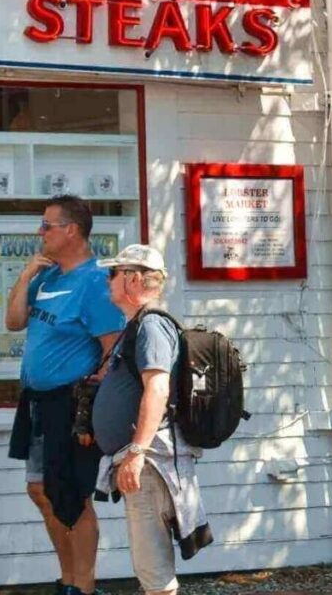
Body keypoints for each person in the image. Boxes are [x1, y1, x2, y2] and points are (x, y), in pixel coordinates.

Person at [4, 195, 125, 595]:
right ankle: (68, 578)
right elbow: (13, 322)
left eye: (47, 225)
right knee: (40, 490)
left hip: (70, 403)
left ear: (71, 230)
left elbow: (113, 350)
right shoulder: (47, 277)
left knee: (72, 494)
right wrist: (26, 275)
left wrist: (92, 410)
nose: (40, 232)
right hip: (36, 401)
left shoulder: (95, 282)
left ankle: (83, 585)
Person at [92, 245, 211, 595]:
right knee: (149, 562)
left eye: (113, 274)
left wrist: (137, 452)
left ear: (132, 279)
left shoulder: (151, 326)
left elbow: (157, 389)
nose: (108, 281)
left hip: (150, 461)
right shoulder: (138, 326)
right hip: (146, 458)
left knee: (153, 568)